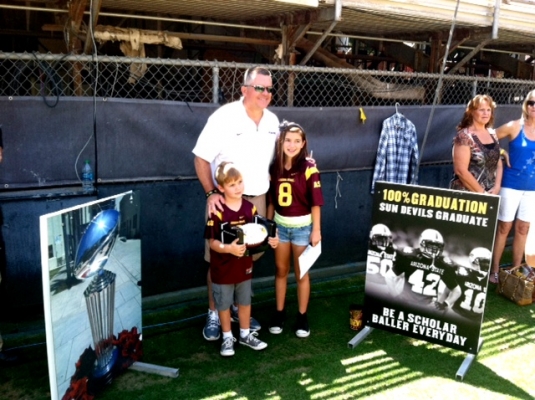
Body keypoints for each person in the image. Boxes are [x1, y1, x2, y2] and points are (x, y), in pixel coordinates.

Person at [192, 67, 280, 341]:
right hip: (226, 203)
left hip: (257, 201)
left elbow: (274, 162)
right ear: (245, 90)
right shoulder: (224, 117)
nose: (265, 93)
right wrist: (210, 194)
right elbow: (201, 158)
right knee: (219, 260)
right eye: (259, 88)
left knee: (246, 258)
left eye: (269, 89)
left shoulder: (273, 121)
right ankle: (214, 313)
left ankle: (235, 311)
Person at [204, 162, 278, 356]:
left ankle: (245, 335)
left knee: (245, 302)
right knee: (223, 304)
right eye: (232, 184)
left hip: (244, 266)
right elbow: (212, 241)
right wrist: (228, 248)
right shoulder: (217, 210)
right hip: (223, 268)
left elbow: (258, 234)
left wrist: (271, 238)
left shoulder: (250, 208)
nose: (238, 187)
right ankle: (227, 337)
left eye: (239, 182)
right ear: (221, 188)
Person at [266, 121, 324, 338]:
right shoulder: (275, 167)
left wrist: (316, 230)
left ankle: (302, 316)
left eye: (296, 141)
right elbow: (271, 202)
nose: (291, 145)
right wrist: (270, 228)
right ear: (281, 142)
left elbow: (315, 203)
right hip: (281, 226)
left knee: (301, 273)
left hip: (302, 227)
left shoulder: (309, 168)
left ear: (303, 144)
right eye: (288, 140)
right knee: (280, 271)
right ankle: (279, 312)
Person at [490, 90, 535, 283]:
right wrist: (501, 151)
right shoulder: (514, 126)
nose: (534, 107)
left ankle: (516, 271)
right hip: (510, 184)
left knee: (523, 228)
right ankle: (495, 271)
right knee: (504, 227)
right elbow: (489, 138)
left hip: (532, 187)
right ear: (526, 104)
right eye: (532, 103)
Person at [385, 229, 461, 311]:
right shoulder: (410, 257)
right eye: (431, 245)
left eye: (437, 246)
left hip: (427, 307)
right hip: (406, 303)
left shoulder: (443, 264)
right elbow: (389, 276)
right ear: (422, 243)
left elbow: (457, 290)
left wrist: (445, 303)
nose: (434, 249)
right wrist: (395, 296)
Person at [450, 94, 503, 194]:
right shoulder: (464, 136)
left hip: (491, 193)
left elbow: (498, 162)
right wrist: (482, 193)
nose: (486, 113)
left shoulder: (492, 134)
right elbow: (460, 170)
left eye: (488, 110)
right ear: (472, 112)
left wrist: (497, 186)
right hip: (466, 195)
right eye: (481, 110)